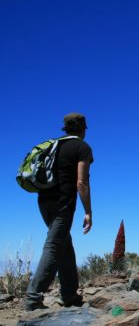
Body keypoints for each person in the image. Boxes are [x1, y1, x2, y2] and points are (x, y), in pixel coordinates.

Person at [24, 113, 94, 311]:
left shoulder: (54, 144)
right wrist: (88, 211)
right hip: (63, 203)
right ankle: (32, 298)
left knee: (65, 245)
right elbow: (82, 182)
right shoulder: (82, 147)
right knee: (54, 246)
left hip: (44, 201)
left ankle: (69, 294)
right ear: (83, 128)